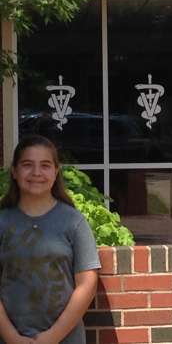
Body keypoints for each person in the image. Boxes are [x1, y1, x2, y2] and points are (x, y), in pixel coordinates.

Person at [0, 135, 101, 344]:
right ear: (14, 172)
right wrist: (11, 337)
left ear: (56, 172)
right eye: (27, 165)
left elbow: (87, 284)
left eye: (45, 165)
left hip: (65, 339)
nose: (36, 173)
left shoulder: (74, 222)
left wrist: (51, 337)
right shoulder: (2, 221)